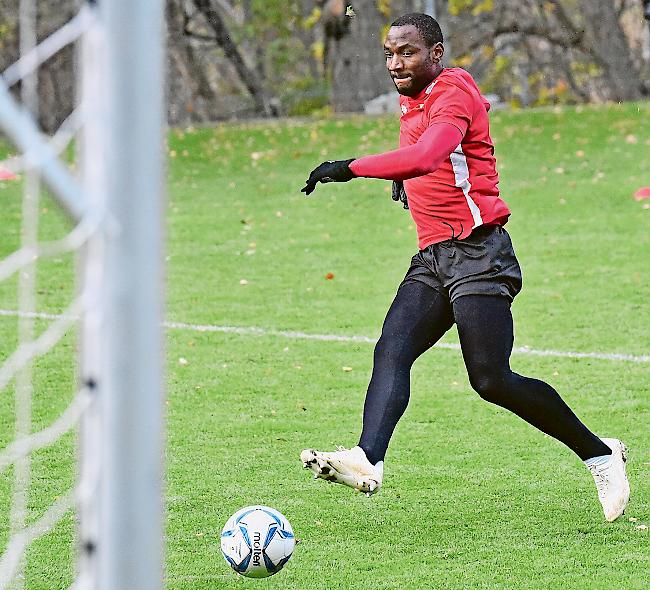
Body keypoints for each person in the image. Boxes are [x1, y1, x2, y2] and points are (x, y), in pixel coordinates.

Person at [299, 13, 629, 522]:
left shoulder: (452, 91)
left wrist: (351, 167)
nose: (395, 63)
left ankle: (600, 454)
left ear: (435, 53)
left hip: (479, 254)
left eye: (406, 52)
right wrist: (405, 180)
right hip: (434, 259)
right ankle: (368, 460)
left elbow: (431, 154)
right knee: (392, 348)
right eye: (389, 53)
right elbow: (428, 159)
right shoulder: (415, 97)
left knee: (491, 379)